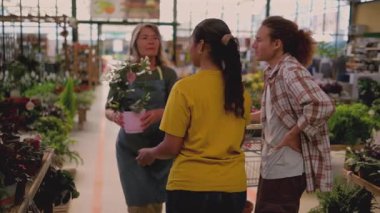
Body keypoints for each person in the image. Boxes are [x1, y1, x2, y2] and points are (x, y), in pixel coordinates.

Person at [136, 18, 252, 213]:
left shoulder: (184, 89)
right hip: (233, 187)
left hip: (190, 188)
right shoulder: (240, 93)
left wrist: (152, 152)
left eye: (190, 42)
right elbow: (239, 140)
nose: (188, 48)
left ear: (201, 46)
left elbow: (172, 147)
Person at [250, 16, 335, 213]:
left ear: (277, 44)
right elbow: (276, 110)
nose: (254, 44)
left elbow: (322, 104)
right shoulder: (274, 71)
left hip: (286, 168)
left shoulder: (290, 70)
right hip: (275, 164)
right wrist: (248, 116)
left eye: (259, 39)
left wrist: (293, 133)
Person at [105, 23, 177, 213]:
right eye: (144, 37)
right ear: (135, 42)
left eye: (154, 37)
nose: (151, 41)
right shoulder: (123, 73)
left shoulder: (168, 74)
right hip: (131, 149)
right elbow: (109, 107)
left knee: (155, 202)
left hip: (160, 148)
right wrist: (115, 116)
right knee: (137, 204)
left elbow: (177, 109)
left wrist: (157, 114)